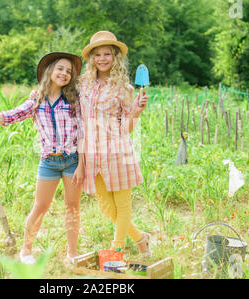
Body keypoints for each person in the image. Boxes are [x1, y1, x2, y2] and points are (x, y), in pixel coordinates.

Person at [0, 52, 85, 264]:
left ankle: (72, 253)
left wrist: (82, 164)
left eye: (69, 71)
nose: (64, 73)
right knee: (40, 206)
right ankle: (26, 251)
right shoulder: (36, 100)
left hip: (72, 160)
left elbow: (82, 132)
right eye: (60, 68)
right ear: (49, 71)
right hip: (49, 163)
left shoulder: (74, 100)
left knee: (72, 207)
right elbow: (11, 115)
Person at [78, 31, 150, 255]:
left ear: (114, 56)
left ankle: (116, 250)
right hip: (92, 152)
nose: (102, 59)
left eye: (107, 54)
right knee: (106, 207)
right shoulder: (83, 84)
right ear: (91, 59)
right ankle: (140, 238)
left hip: (117, 151)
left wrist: (136, 112)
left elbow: (127, 127)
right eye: (97, 54)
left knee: (122, 205)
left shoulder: (124, 88)